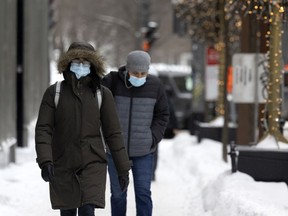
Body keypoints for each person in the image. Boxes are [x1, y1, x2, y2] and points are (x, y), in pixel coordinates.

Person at [35, 42, 131, 216]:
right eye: (76, 61)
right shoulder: (54, 93)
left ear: (93, 65)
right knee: (68, 211)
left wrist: (122, 169)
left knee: (88, 209)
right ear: (68, 63)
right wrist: (45, 160)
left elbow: (113, 133)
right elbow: (43, 129)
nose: (80, 65)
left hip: (92, 162)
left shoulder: (102, 94)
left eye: (85, 61)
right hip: (63, 163)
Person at [102, 50, 169, 216]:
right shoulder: (113, 83)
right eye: (135, 73)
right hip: (116, 151)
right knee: (118, 195)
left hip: (143, 151)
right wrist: (106, 137)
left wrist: (152, 138)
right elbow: (98, 107)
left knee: (143, 194)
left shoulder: (155, 86)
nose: (139, 76)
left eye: (143, 73)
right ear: (127, 70)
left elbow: (162, 115)